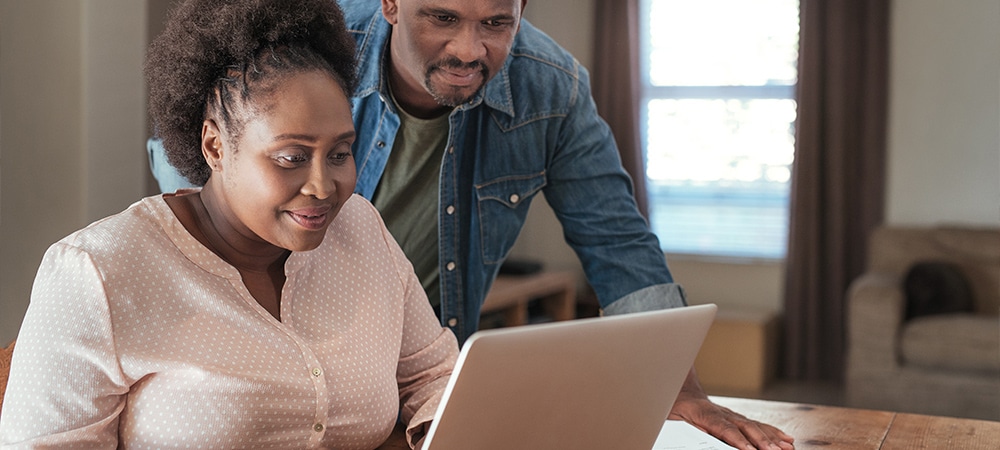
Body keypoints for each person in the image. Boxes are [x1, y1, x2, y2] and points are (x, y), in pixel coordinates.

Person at [148, 0, 795, 448]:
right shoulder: (309, 54)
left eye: (496, 22)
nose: (469, 48)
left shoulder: (552, 88)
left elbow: (617, 241)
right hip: (284, 351)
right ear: (393, 4)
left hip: (427, 366)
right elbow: (201, 173)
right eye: (443, 18)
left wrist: (677, 389)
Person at [0, 0, 457, 448]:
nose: (323, 186)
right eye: (291, 158)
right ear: (215, 147)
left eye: (339, 154)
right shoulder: (97, 273)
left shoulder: (360, 229)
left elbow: (435, 376)